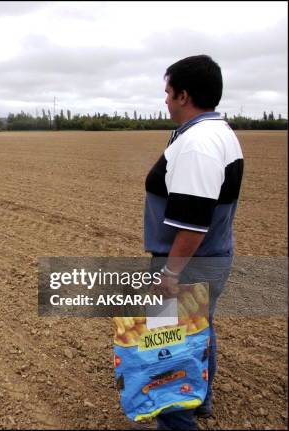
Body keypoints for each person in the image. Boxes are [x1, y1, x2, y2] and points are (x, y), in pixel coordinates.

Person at [143, 55, 244, 430]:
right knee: (199, 329)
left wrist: (169, 272)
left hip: (189, 262)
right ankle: (200, 400)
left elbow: (193, 222)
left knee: (169, 348)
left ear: (184, 95)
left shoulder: (198, 144)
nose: (165, 100)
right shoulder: (215, 132)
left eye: (168, 93)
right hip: (210, 257)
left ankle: (178, 418)